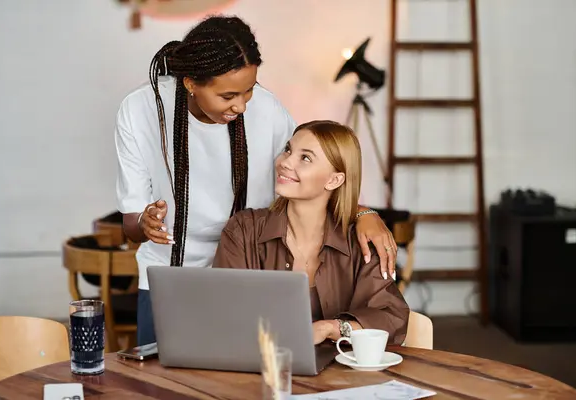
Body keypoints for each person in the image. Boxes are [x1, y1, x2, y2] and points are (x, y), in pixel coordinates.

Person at [115, 15, 399, 346]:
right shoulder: (141, 111)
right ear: (191, 83)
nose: (241, 105)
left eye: (249, 90)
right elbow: (130, 224)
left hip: (250, 269)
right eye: (228, 95)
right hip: (170, 277)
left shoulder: (265, 109)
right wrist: (146, 222)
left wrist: (363, 212)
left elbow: (308, 176)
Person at [212, 120, 410, 345]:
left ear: (334, 180)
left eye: (305, 158)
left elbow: (392, 317)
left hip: (343, 375)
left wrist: (330, 328)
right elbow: (224, 312)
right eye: (288, 150)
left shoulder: (361, 240)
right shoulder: (243, 230)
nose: (285, 162)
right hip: (262, 369)